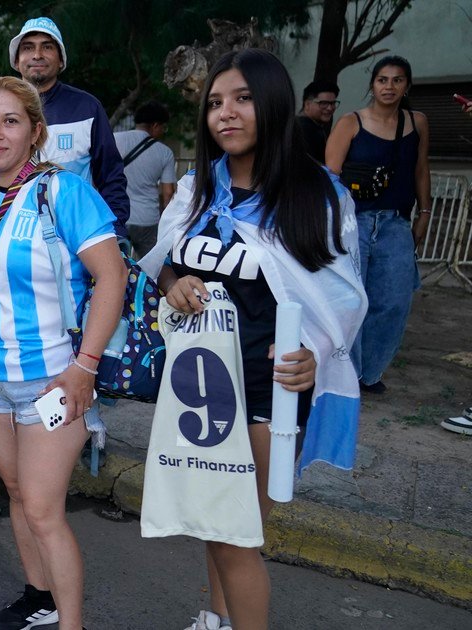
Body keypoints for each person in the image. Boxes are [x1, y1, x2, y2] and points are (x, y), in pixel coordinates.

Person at [143, 48, 366, 630]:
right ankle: (214, 617)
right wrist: (174, 282)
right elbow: (162, 264)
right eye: (215, 102)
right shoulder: (196, 190)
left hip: (269, 395)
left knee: (235, 534)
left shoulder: (315, 194)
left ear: (272, 104)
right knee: (215, 525)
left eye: (242, 99)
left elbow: (341, 296)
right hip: (200, 391)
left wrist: (315, 353)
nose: (226, 113)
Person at [0, 76, 127, 630]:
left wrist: (85, 368)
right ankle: (40, 597)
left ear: (36, 131)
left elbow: (112, 278)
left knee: (42, 509)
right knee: (15, 492)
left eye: (10, 121)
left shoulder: (64, 191)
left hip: (52, 382)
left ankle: (70, 623)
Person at [325, 55, 431, 395]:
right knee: (350, 299)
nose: (389, 86)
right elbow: (330, 177)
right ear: (372, 84)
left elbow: (421, 168)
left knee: (394, 302)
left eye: (397, 80)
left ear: (407, 86)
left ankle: (370, 372)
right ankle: (347, 374)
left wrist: (425, 213)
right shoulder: (350, 122)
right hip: (353, 222)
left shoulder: (418, 122)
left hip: (395, 224)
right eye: (382, 79)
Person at [5, 16, 130, 239]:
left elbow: (111, 176)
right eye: (28, 47)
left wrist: (116, 232)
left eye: (47, 47)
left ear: (61, 60)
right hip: (12, 237)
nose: (37, 55)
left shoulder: (87, 107)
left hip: (76, 237)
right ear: (16, 60)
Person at [114, 101, 177, 258]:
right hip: (147, 220)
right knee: (151, 268)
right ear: (155, 125)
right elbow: (168, 193)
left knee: (117, 267)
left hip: (117, 216)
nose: (163, 131)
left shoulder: (114, 140)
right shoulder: (165, 152)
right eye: (163, 127)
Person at [296, 81, 340, 163]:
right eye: (323, 103)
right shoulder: (305, 130)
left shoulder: (298, 125)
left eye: (333, 103)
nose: (330, 108)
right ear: (307, 104)